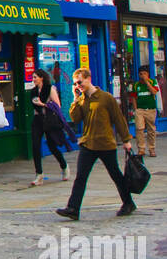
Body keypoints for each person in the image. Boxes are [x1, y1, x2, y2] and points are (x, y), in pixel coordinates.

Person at [56, 68, 135, 221]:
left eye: (80, 82)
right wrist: (75, 98)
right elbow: (75, 118)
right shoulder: (82, 99)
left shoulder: (106, 98)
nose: (78, 86)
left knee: (116, 175)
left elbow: (118, 118)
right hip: (88, 144)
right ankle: (73, 208)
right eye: (75, 84)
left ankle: (128, 203)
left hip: (105, 143)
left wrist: (126, 140)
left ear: (88, 79)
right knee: (81, 177)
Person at [29, 68, 68, 186]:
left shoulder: (50, 89)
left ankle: (64, 166)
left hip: (49, 120)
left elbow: (57, 106)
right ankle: (39, 174)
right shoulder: (33, 91)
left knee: (52, 147)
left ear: (41, 78)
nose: (33, 79)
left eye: (35, 77)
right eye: (33, 77)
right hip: (37, 120)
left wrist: (43, 104)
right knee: (35, 146)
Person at [133, 67, 159, 158]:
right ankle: (141, 149)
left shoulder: (153, 82)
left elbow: (154, 92)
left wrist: (147, 82)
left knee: (151, 130)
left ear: (148, 74)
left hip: (150, 109)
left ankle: (151, 148)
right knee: (139, 129)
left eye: (144, 73)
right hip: (140, 110)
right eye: (141, 74)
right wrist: (136, 109)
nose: (142, 76)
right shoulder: (136, 85)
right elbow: (134, 97)